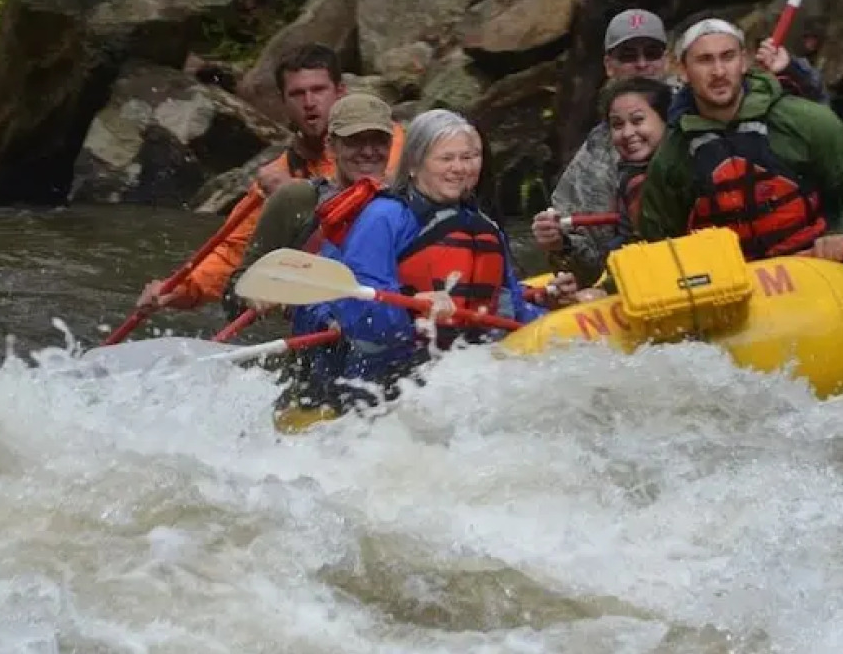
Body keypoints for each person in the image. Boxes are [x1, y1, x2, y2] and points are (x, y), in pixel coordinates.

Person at [288, 109, 576, 405]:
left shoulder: (485, 227)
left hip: (471, 372)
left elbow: (507, 309)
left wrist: (555, 306)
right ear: (414, 164)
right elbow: (362, 316)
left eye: (469, 157)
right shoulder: (384, 217)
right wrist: (415, 310)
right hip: (386, 383)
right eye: (446, 158)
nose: (460, 168)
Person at [546, 8, 828, 282]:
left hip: (757, 251)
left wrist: (792, 71)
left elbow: (810, 122)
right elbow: (593, 260)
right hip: (667, 263)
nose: (642, 64)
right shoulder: (597, 151)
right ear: (609, 66)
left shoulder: (709, 101)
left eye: (652, 53)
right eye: (628, 56)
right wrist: (562, 245)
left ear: (669, 60)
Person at [139, 43, 406, 310]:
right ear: (284, 102)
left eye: (318, 90)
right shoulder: (279, 177)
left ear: (340, 92)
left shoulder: (384, 143)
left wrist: (298, 193)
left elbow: (383, 191)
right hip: (325, 304)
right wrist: (183, 288)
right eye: (297, 94)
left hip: (388, 287)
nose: (310, 103)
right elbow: (234, 252)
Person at [637, 18, 843, 262]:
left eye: (728, 57)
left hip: (817, 267)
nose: (719, 72)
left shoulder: (804, 120)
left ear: (743, 61)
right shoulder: (671, 157)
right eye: (705, 60)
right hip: (734, 285)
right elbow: (653, 244)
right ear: (683, 71)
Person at [531, 75, 673, 277]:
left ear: (666, 120)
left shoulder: (683, 167)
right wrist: (561, 243)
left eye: (638, 120)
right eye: (617, 125)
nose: (627, 133)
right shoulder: (626, 175)